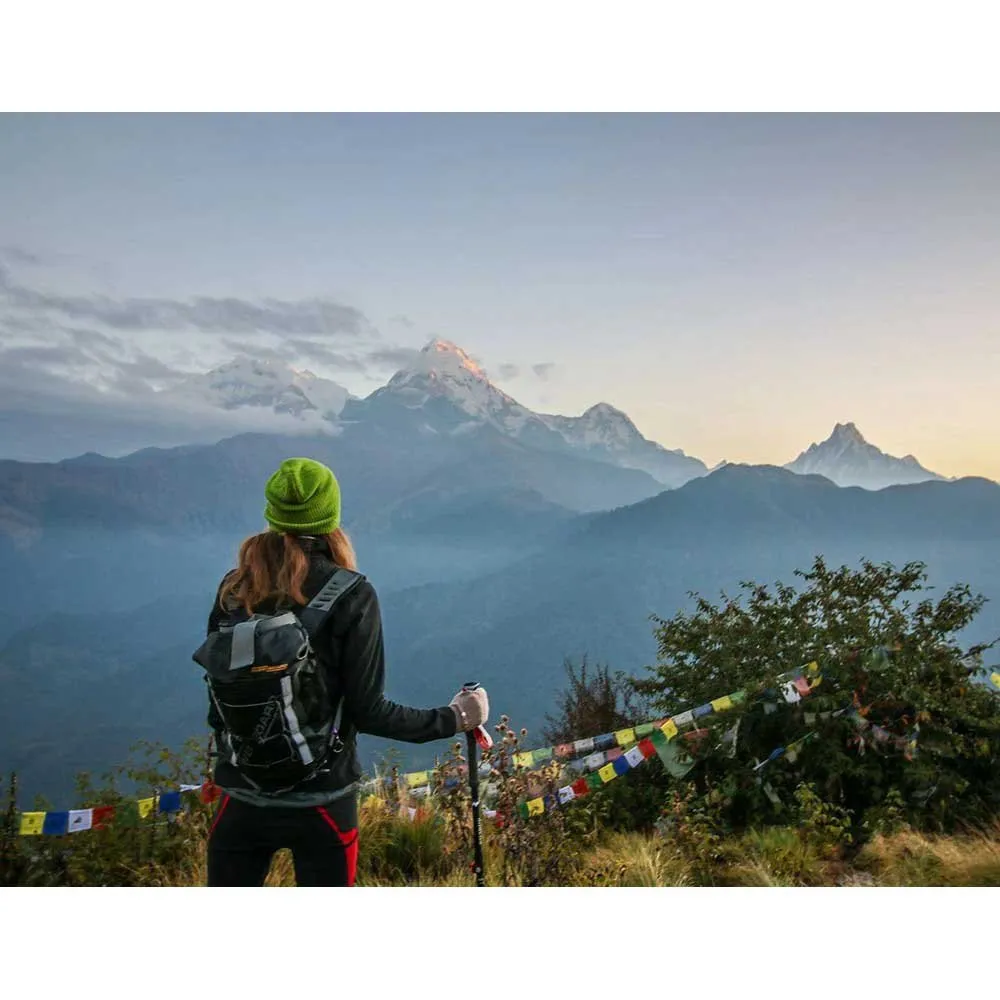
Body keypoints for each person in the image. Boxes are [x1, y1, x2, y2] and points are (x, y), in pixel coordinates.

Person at [203, 457, 489, 887]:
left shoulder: (235, 588)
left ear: (272, 514)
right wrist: (456, 718)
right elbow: (369, 712)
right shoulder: (352, 594)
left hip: (240, 796)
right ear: (330, 517)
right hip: (323, 801)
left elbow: (218, 699)